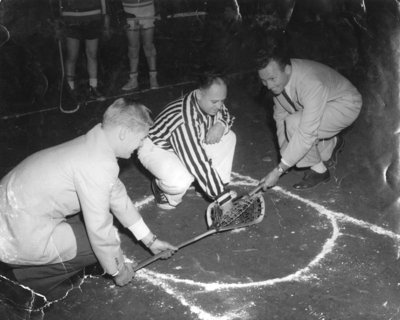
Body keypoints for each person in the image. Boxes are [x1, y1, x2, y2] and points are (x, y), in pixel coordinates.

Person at [0, 98, 177, 300]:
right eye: (141, 138)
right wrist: (118, 271)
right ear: (124, 133)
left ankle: (28, 272)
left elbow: (118, 197)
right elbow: (100, 231)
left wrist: (151, 240)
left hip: (10, 216)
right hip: (13, 238)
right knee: (95, 248)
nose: (142, 144)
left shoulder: (93, 145)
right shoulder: (98, 165)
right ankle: (24, 287)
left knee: (87, 228)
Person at [257, 39, 362, 190]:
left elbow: (306, 131)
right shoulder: (281, 79)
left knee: (295, 124)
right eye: (264, 81)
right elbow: (280, 118)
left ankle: (320, 172)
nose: (269, 85)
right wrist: (285, 154)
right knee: (293, 130)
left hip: (346, 104)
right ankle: (330, 143)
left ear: (287, 69)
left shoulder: (310, 83)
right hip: (326, 102)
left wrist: (279, 170)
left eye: (272, 79)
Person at [138, 72, 237, 211]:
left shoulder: (209, 100)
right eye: (215, 102)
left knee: (229, 137)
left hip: (181, 146)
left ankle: (209, 187)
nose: (219, 106)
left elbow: (226, 114)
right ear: (199, 94)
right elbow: (197, 161)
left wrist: (221, 124)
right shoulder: (184, 120)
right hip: (157, 150)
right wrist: (224, 200)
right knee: (182, 179)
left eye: (222, 100)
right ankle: (163, 191)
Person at [53, 0, 109, 101]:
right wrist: (58, 19)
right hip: (71, 17)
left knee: (92, 54)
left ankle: (93, 87)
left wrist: (105, 16)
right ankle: (70, 89)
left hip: (93, 16)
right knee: (72, 56)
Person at [120, 0, 159, 91]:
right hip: (129, 11)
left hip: (147, 10)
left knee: (149, 45)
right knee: (133, 47)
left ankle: (153, 78)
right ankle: (133, 79)